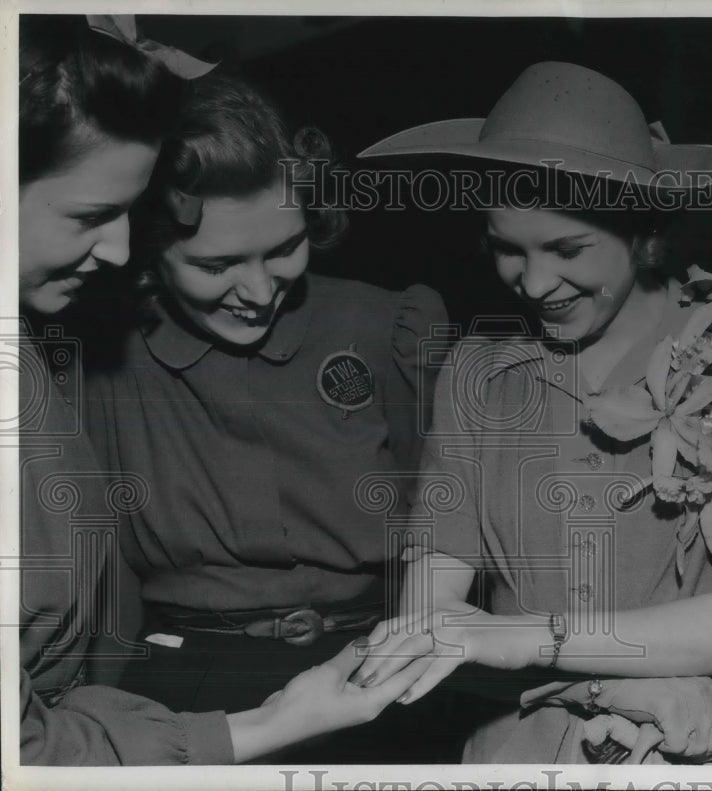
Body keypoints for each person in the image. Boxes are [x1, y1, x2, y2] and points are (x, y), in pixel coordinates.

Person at [353, 61, 712, 763]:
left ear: (645, 232)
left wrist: (527, 638)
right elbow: (427, 622)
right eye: (506, 250)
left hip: (694, 747)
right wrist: (601, 687)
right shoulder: (477, 370)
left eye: (568, 249)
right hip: (512, 749)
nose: (536, 282)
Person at [16, 15, 423, 766]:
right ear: (151, 246)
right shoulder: (86, 361)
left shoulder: (385, 325)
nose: (260, 290)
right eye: (218, 264)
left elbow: (454, 522)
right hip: (172, 702)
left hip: (371, 673)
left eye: (286, 248)